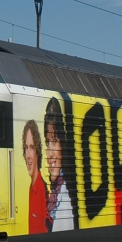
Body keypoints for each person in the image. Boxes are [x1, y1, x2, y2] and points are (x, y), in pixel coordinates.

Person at [44, 97, 75, 231]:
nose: (49, 153)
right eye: (47, 142)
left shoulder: (65, 201)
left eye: (55, 140)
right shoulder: (57, 194)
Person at [23, 119, 49, 234]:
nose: (28, 155)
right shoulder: (31, 188)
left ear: (37, 151)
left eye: (32, 147)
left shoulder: (42, 190)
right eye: (26, 147)